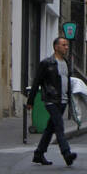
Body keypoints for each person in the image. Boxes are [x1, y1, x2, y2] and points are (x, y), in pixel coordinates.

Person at [26, 35, 78, 166]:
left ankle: (39, 154)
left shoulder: (66, 63)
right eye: (64, 45)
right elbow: (36, 81)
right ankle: (67, 154)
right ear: (56, 47)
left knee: (50, 128)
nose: (66, 47)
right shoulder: (46, 63)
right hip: (51, 100)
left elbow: (67, 81)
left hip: (63, 100)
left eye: (66, 45)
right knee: (59, 126)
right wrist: (30, 101)